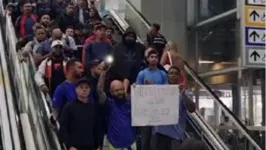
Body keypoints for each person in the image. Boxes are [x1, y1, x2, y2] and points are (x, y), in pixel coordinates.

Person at [151, 66, 196, 150]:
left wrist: (183, 95)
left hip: (175, 135)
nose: (173, 75)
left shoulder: (185, 91)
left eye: (176, 74)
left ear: (179, 76)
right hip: (159, 132)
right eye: (171, 73)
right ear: (167, 76)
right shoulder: (160, 90)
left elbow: (192, 109)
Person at [136, 50, 168, 150]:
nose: (154, 59)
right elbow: (138, 91)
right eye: (152, 57)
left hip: (158, 109)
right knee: (145, 138)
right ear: (147, 59)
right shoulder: (142, 74)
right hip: (146, 109)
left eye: (156, 57)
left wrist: (152, 88)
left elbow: (166, 90)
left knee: (156, 138)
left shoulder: (163, 74)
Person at [59, 78, 102, 150]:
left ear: (90, 90)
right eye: (81, 87)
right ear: (76, 90)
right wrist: (70, 146)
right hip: (75, 147)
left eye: (86, 87)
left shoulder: (94, 108)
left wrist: (98, 145)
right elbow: (63, 128)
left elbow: (98, 128)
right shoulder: (69, 107)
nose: (84, 90)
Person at [97, 76, 137, 150]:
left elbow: (144, 99)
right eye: (116, 90)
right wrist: (103, 74)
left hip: (131, 144)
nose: (119, 92)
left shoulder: (131, 103)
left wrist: (138, 89)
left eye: (121, 89)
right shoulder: (109, 104)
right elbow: (99, 91)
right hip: (114, 145)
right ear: (111, 92)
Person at [111, 27, 145, 94]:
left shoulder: (140, 47)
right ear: (124, 36)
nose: (130, 38)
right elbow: (114, 62)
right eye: (128, 36)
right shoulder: (117, 47)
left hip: (136, 78)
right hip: (119, 77)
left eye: (132, 36)